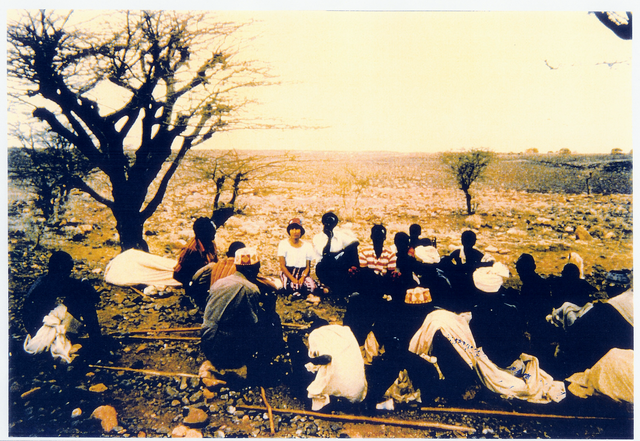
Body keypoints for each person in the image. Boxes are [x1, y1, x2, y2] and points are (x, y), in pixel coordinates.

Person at [200, 247, 283, 383]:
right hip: (221, 350)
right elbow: (255, 322)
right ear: (256, 268)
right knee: (270, 322)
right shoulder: (250, 288)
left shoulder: (220, 282)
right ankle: (260, 367)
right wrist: (269, 309)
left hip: (207, 342)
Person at [22, 251, 103, 345]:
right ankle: (96, 340)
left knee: (79, 294)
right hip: (41, 331)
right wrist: (86, 287)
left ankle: (96, 339)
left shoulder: (48, 279)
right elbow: (85, 292)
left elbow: (73, 285)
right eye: (68, 270)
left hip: (36, 326)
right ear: (61, 269)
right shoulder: (50, 284)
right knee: (82, 298)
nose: (69, 273)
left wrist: (84, 285)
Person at [343, 224, 397, 344]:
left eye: (381, 237)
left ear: (385, 238)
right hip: (369, 286)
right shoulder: (364, 252)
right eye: (376, 236)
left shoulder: (390, 253)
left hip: (381, 287)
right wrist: (377, 275)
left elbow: (389, 275)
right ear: (371, 237)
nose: (378, 239)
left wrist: (375, 275)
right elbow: (364, 274)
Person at [439, 230, 493, 312]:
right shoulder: (476, 254)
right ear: (474, 242)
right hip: (465, 285)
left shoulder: (458, 253)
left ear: (461, 241)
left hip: (461, 286)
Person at [173, 217, 218, 306]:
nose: (214, 234)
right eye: (211, 231)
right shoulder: (192, 250)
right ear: (204, 233)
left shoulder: (211, 244)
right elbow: (179, 273)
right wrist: (189, 289)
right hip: (195, 281)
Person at [312, 212, 359, 296]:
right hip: (324, 267)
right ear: (323, 223)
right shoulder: (318, 237)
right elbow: (325, 254)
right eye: (327, 223)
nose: (329, 225)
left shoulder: (339, 235)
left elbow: (355, 242)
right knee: (329, 260)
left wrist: (345, 251)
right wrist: (330, 238)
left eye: (331, 223)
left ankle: (354, 271)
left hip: (338, 265)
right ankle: (337, 288)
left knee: (352, 249)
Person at [277, 218, 319, 303]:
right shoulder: (283, 244)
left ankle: (303, 293)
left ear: (301, 231)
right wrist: (292, 278)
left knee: (312, 286)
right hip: (288, 272)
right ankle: (296, 293)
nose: (295, 231)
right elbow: (282, 266)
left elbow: (307, 267)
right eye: (292, 229)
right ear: (289, 231)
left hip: (302, 272)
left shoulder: (307, 246)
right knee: (293, 285)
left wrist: (303, 277)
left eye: (297, 229)